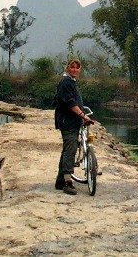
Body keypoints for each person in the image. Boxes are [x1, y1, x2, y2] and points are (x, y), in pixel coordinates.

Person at [54, 58, 93, 195]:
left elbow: (75, 102)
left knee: (67, 149)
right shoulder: (66, 82)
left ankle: (60, 181)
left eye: (77, 67)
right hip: (67, 122)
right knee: (70, 150)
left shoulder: (71, 82)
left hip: (72, 121)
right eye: (72, 67)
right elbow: (70, 103)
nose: (75, 70)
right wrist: (83, 115)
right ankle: (67, 182)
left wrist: (81, 117)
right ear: (67, 68)